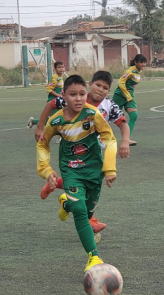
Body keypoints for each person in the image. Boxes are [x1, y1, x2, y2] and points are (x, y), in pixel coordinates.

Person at [36, 75, 118, 273]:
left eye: (82, 94)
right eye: (73, 95)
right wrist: (46, 170)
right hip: (71, 170)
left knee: (88, 210)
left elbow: (109, 137)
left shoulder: (92, 114)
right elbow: (43, 144)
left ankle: (66, 203)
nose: (79, 98)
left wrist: (109, 168)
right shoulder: (55, 121)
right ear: (64, 95)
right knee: (81, 211)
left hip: (94, 170)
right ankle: (94, 256)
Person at [35, 70, 131, 234]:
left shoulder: (109, 105)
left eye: (105, 88)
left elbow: (123, 124)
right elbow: (50, 105)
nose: (100, 89)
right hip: (73, 152)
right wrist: (39, 127)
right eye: (98, 85)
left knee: (93, 183)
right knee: (79, 180)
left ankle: (61, 193)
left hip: (96, 152)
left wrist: (124, 141)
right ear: (90, 85)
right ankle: (90, 220)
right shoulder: (73, 98)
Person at [112, 54, 147, 146]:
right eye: (141, 62)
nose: (143, 64)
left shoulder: (138, 71)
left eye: (144, 62)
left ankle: (127, 139)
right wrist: (127, 95)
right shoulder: (129, 71)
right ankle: (97, 137)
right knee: (108, 116)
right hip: (120, 95)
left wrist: (130, 93)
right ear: (135, 62)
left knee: (134, 115)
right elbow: (120, 82)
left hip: (129, 96)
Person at [27, 61, 65, 129]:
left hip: (59, 101)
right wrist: (58, 95)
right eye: (59, 67)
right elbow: (49, 89)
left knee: (57, 119)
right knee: (55, 120)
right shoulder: (55, 78)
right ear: (55, 69)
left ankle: (33, 121)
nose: (61, 69)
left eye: (62, 67)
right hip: (53, 101)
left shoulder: (60, 77)